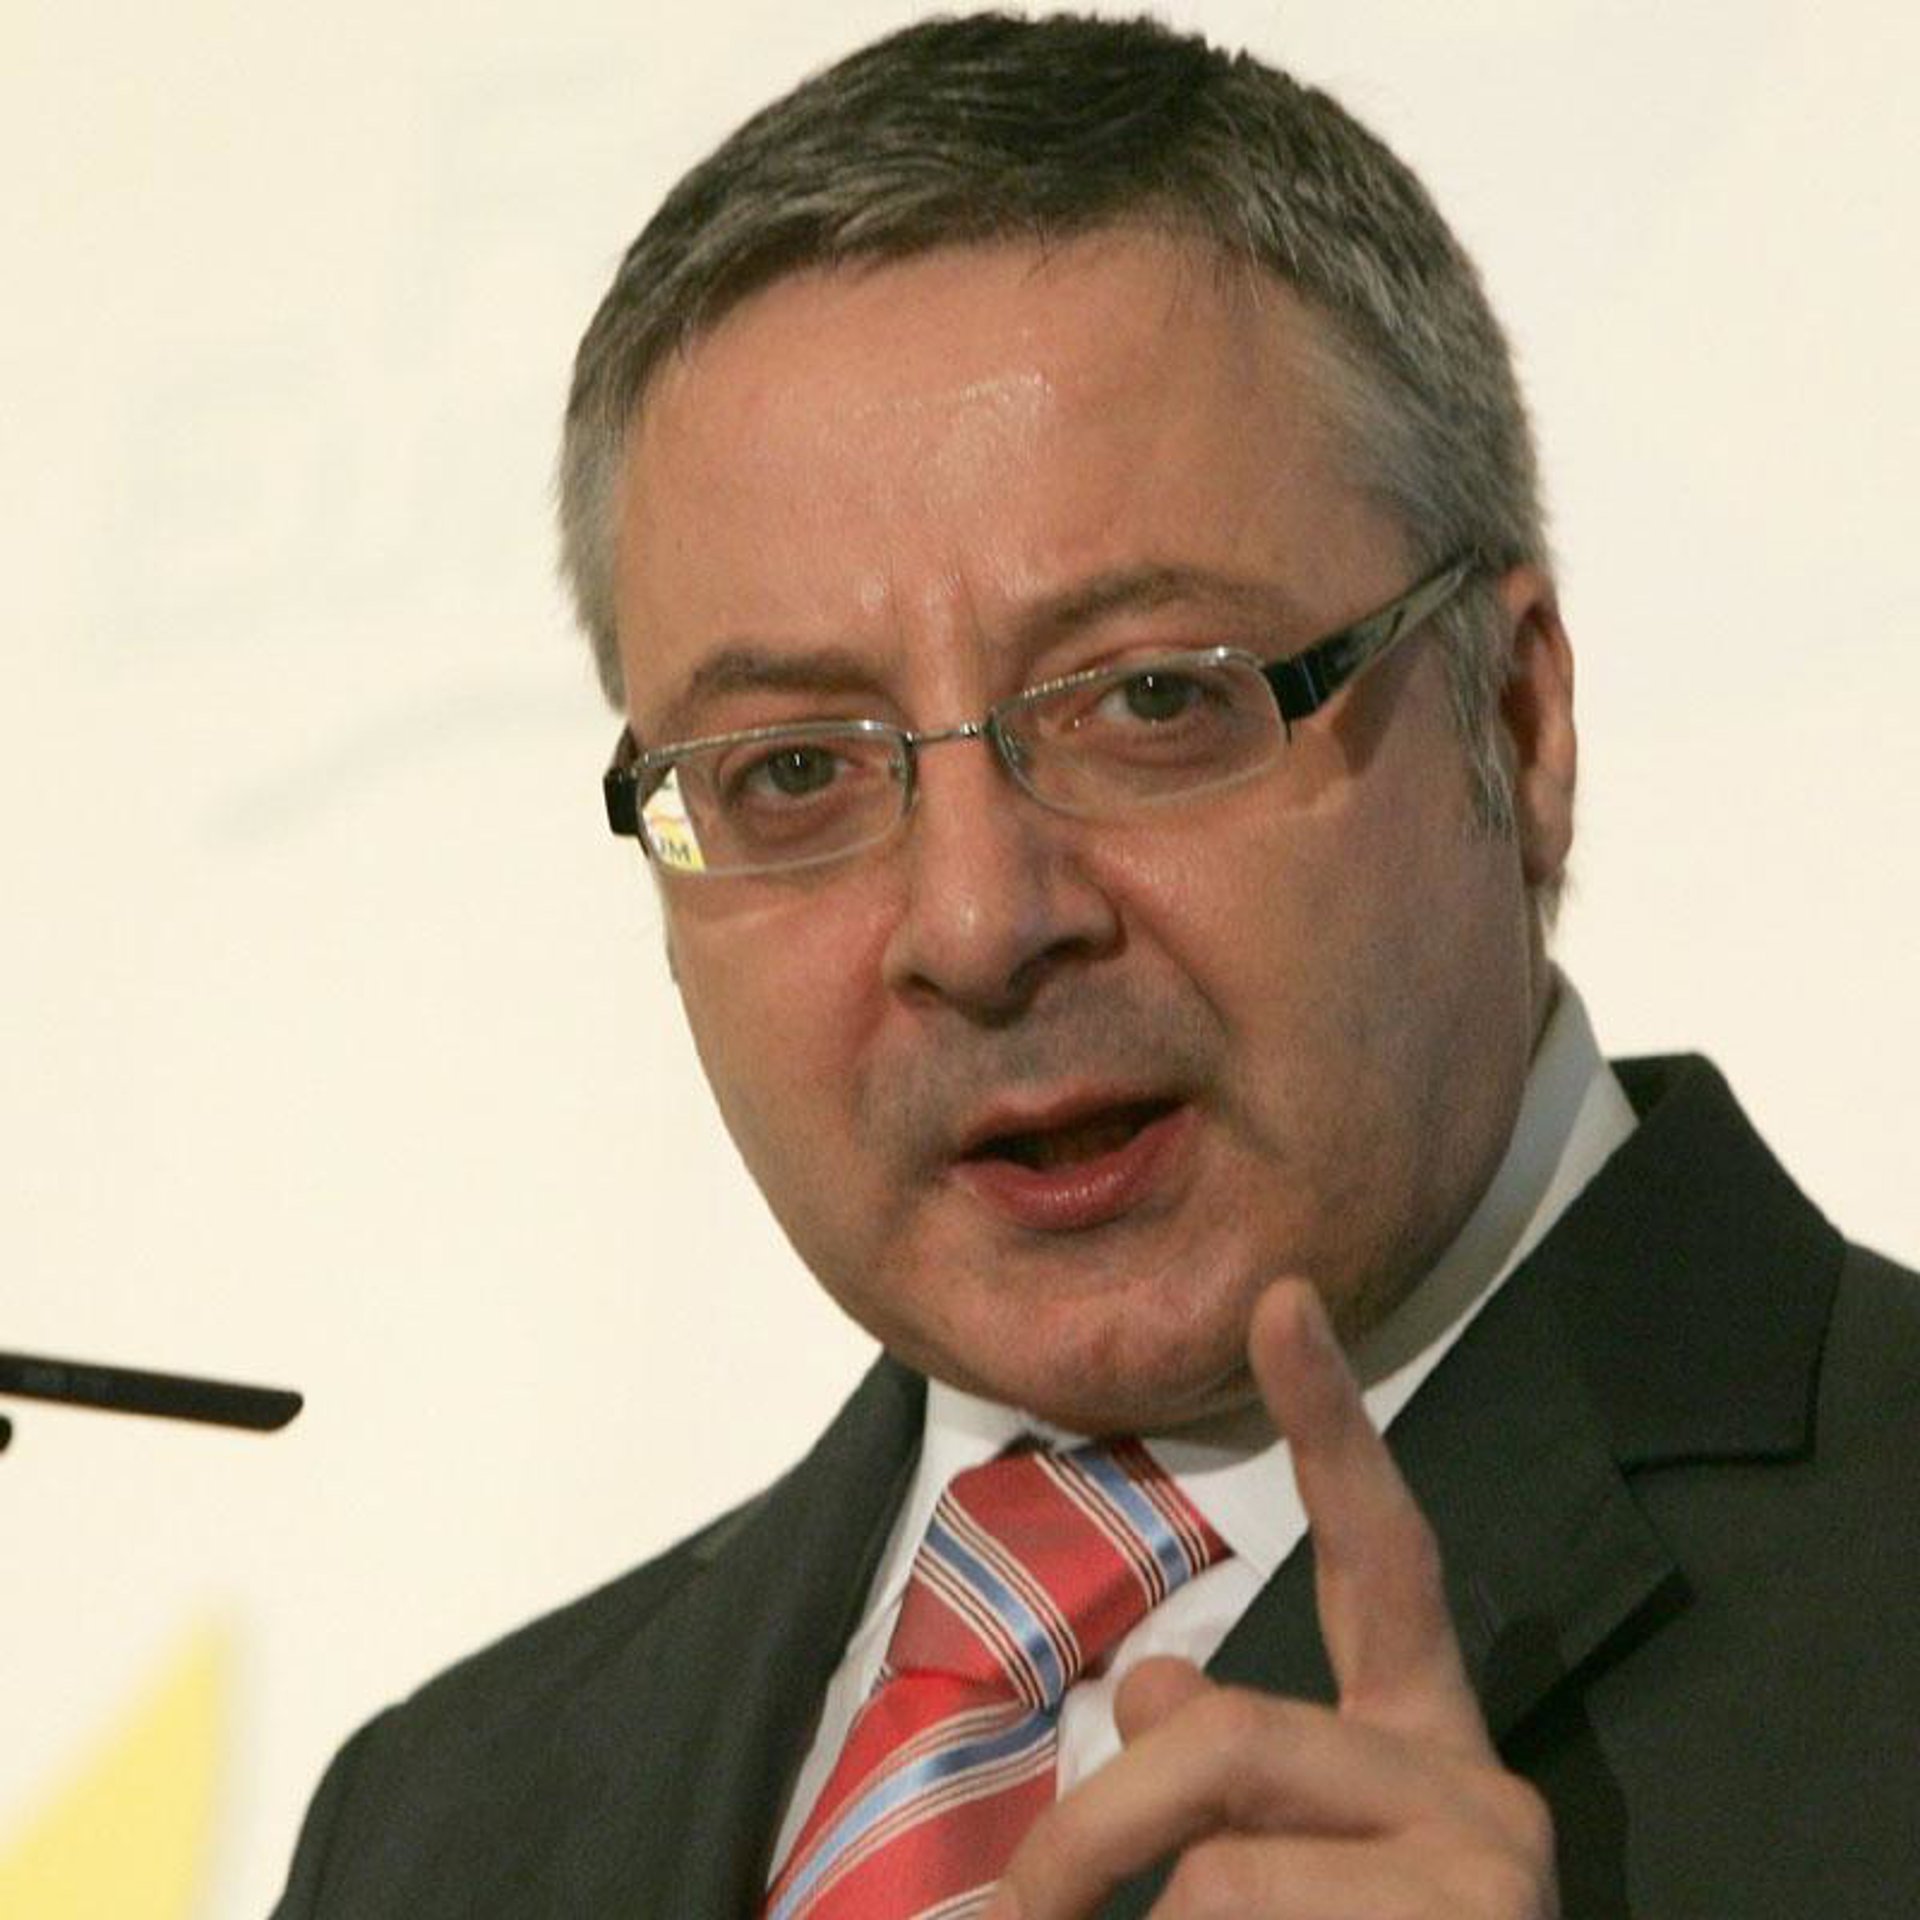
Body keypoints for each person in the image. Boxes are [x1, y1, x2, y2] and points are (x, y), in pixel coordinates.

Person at [272, 13, 1920, 1916]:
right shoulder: (437, 1822)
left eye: (1152, 701)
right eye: (791, 772)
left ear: (1519, 724)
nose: (979, 926)